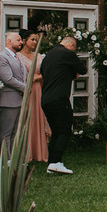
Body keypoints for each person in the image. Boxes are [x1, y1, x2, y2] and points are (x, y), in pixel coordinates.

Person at [40, 35, 85, 175]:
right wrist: (74, 71)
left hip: (46, 99)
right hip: (59, 99)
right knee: (65, 130)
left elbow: (48, 72)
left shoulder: (48, 56)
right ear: (71, 45)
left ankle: (52, 163)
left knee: (56, 131)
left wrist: (70, 73)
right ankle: (56, 162)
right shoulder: (67, 53)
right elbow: (82, 69)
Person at [17, 31, 50, 162]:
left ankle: (39, 152)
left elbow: (47, 72)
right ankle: (27, 152)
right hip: (25, 90)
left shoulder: (40, 56)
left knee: (39, 116)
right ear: (24, 41)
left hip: (38, 89)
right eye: (32, 40)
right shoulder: (18, 56)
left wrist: (38, 77)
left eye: (36, 40)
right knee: (27, 118)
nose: (35, 42)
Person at [0, 30, 28, 149]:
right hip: (8, 100)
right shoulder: (1, 58)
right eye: (18, 40)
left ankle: (14, 160)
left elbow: (23, 75)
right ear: (9, 41)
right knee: (6, 133)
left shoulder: (19, 57)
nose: (21, 42)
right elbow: (8, 79)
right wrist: (26, 88)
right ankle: (5, 161)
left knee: (15, 132)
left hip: (20, 99)